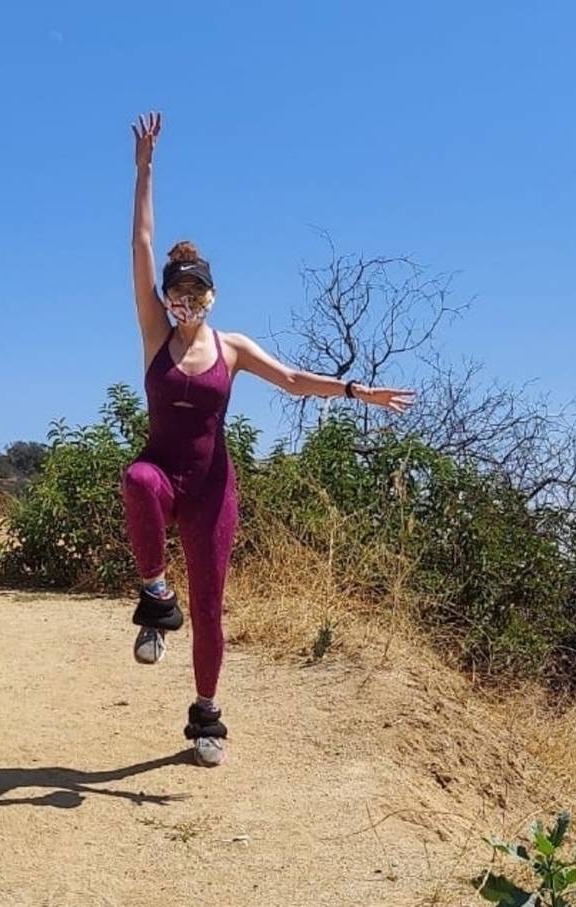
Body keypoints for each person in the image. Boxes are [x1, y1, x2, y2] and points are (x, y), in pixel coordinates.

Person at [122, 111, 415, 767]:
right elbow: (142, 245)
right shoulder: (155, 335)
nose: (185, 299)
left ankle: (205, 719)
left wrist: (356, 392)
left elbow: (290, 379)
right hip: (165, 475)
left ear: (213, 296)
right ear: (166, 297)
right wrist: (144, 169)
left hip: (213, 492)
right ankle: (154, 595)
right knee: (137, 479)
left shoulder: (233, 346)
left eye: (196, 290)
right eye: (177, 290)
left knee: (214, 608)